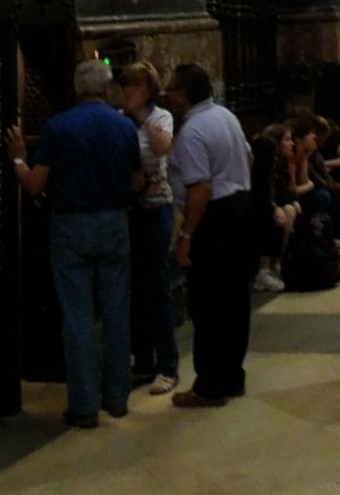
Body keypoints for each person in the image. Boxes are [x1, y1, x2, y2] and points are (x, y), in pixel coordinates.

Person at [8, 59, 142, 430]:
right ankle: (116, 397)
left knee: (78, 316)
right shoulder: (124, 126)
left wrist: (18, 158)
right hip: (114, 221)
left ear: (76, 88)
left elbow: (35, 184)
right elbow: (136, 181)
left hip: (70, 225)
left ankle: (83, 405)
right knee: (116, 311)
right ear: (107, 88)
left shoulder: (58, 127)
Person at [165, 63, 256, 409]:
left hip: (213, 218)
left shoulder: (191, 132)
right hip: (238, 208)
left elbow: (200, 188)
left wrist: (187, 232)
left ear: (185, 93)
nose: (169, 94)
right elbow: (247, 157)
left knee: (207, 303)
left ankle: (210, 385)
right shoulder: (225, 116)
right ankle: (232, 375)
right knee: (234, 300)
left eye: (173, 88)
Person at [117, 62, 179, 396]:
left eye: (136, 86)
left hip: (156, 209)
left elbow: (161, 147)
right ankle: (142, 360)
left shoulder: (159, 117)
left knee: (156, 286)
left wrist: (140, 116)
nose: (129, 93)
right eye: (125, 86)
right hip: (129, 208)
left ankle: (168, 364)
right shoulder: (118, 118)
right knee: (134, 287)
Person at [251, 124, 302, 292]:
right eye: (287, 140)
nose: (292, 144)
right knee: (274, 216)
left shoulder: (280, 164)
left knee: (290, 209)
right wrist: (275, 208)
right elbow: (262, 195)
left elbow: (286, 191)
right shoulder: (264, 162)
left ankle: (276, 263)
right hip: (256, 208)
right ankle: (263, 271)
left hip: (267, 205)